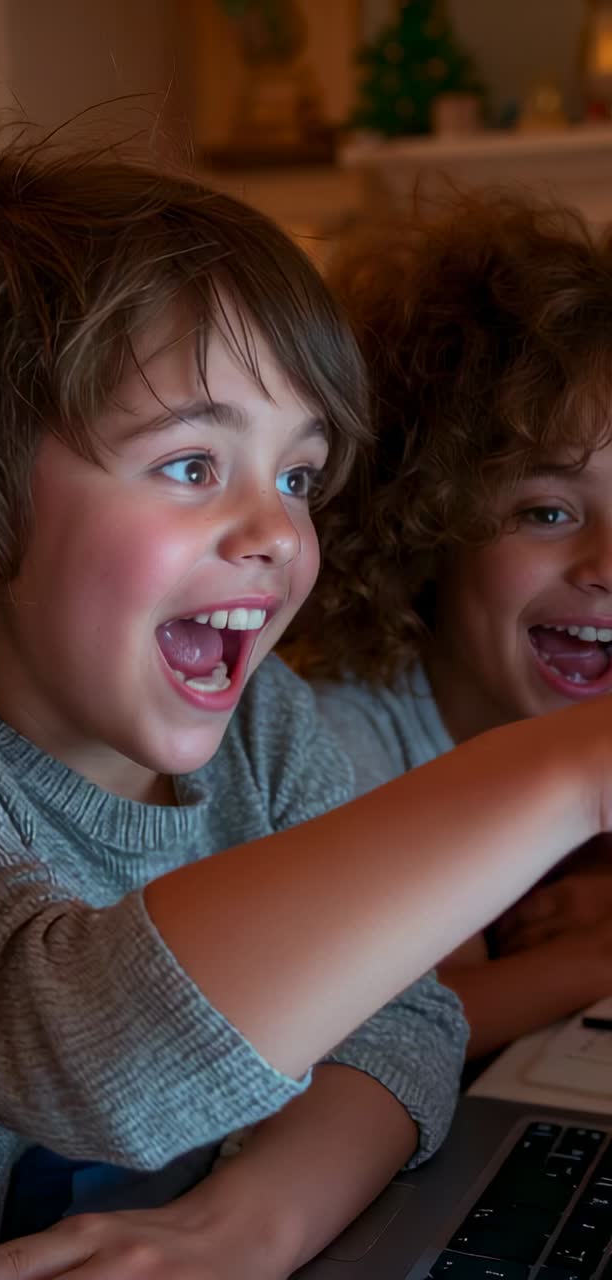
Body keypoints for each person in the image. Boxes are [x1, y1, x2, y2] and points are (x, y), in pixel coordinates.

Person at [0, 141, 612, 1280]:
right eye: (191, 464)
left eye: (296, 477)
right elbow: (78, 1050)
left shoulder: (266, 729)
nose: (279, 532)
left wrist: (245, 1224)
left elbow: (403, 1020)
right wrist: (566, 770)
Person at [292, 191, 612, 1063]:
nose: (607, 565)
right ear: (421, 522)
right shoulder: (336, 737)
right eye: (547, 512)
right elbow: (403, 1022)